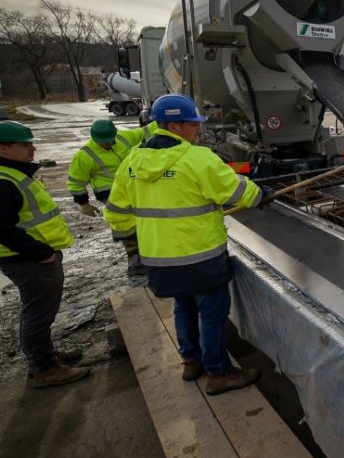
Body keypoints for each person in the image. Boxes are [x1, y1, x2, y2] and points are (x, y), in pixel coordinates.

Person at [103, 94, 264, 395]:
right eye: (193, 125)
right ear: (175, 125)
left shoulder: (133, 161)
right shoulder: (196, 158)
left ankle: (191, 361)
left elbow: (116, 213)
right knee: (212, 313)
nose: (197, 131)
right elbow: (240, 193)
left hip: (159, 261)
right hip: (201, 257)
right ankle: (218, 373)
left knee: (183, 306)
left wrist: (137, 240)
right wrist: (259, 193)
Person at [0, 120, 90, 389]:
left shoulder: (12, 174)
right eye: (25, 144)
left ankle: (44, 356)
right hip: (29, 260)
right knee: (38, 314)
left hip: (32, 257)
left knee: (37, 312)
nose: (32, 148)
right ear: (4, 147)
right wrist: (42, 253)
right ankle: (44, 368)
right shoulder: (0, 182)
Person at [68, 118, 156, 275]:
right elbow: (76, 182)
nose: (106, 145)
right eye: (102, 142)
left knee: (144, 223)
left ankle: (149, 257)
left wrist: (165, 118)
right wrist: (84, 204)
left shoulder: (124, 137)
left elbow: (147, 130)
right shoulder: (84, 155)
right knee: (126, 226)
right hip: (109, 193)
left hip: (133, 188)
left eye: (109, 141)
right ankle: (136, 263)